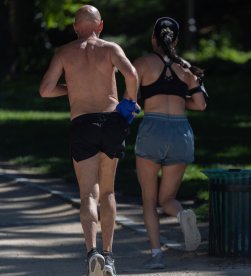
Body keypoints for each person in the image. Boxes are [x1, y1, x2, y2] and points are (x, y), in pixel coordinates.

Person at [39, 5, 139, 276]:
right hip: (111, 122)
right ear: (100, 26)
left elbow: (46, 90)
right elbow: (131, 75)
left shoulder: (65, 53)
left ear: (75, 28)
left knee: (88, 194)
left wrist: (72, 87)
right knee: (108, 192)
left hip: (82, 124)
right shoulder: (110, 49)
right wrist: (130, 102)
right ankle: (108, 256)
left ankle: (91, 252)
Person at [132, 17, 207, 269]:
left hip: (153, 129)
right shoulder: (186, 69)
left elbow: (129, 104)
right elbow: (201, 104)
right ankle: (182, 214)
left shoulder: (141, 64)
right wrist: (176, 100)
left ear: (153, 38)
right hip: (181, 132)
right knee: (167, 199)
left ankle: (156, 256)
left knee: (149, 200)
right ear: (175, 40)